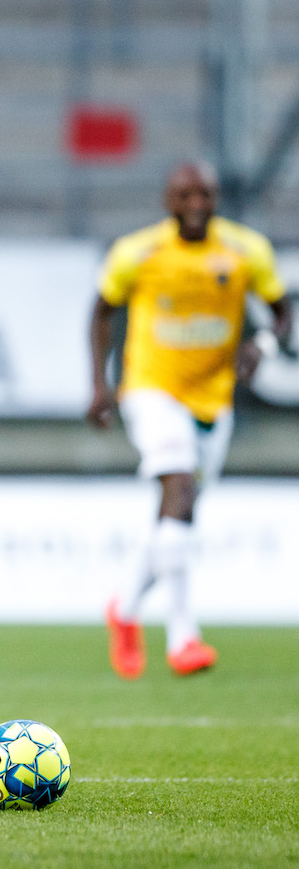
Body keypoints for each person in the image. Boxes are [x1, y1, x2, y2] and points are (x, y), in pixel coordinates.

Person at [87, 160, 292, 680]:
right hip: (152, 390)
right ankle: (183, 637)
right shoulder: (138, 252)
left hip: (212, 400)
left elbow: (282, 309)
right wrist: (99, 386)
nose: (196, 204)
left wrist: (263, 343)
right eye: (186, 195)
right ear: (168, 201)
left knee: (177, 517)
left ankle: (124, 607)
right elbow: (101, 311)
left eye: (205, 194)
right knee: (178, 488)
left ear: (217, 198)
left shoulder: (246, 251)